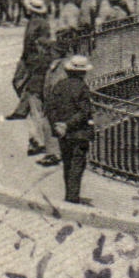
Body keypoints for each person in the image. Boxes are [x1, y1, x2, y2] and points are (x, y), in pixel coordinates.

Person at [45, 54, 96, 206]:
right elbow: (84, 112)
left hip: (63, 133)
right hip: (78, 133)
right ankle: (72, 197)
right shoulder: (82, 88)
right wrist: (67, 125)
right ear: (83, 72)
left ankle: (69, 194)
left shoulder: (59, 85)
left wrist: (57, 125)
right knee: (77, 164)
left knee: (67, 163)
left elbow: (50, 108)